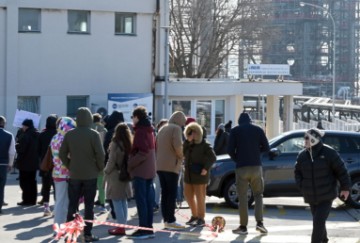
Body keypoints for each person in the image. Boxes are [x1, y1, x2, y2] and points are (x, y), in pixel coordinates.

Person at [295, 128, 350, 243]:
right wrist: (302, 185)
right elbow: (297, 172)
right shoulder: (302, 155)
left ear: (315, 139)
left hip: (326, 195)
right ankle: (324, 240)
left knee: (318, 222)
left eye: (307, 138)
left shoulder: (329, 153)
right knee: (318, 221)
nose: (304, 141)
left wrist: (345, 188)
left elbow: (342, 171)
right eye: (304, 138)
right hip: (310, 196)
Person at [59, 107, 105, 242]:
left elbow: (62, 154)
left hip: (74, 175)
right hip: (90, 175)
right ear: (90, 118)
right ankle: (88, 234)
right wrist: (99, 168)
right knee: (89, 206)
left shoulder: (69, 134)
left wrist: (69, 165)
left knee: (72, 205)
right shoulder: (94, 134)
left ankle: (70, 234)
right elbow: (101, 154)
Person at [227, 112, 270, 235]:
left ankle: (243, 227)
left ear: (239, 121)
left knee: (242, 197)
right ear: (250, 121)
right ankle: (260, 224)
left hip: (241, 168)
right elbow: (266, 148)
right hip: (256, 167)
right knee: (258, 195)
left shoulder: (235, 131)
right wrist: (256, 153)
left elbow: (230, 150)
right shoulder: (258, 130)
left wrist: (238, 158)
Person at [127, 106, 156, 240]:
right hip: (150, 170)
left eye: (133, 117)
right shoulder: (150, 130)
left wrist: (130, 162)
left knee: (142, 201)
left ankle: (143, 229)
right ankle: (148, 228)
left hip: (141, 171)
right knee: (148, 201)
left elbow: (142, 152)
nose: (132, 120)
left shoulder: (140, 131)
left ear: (137, 117)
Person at [156, 111, 186, 229]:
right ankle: (171, 220)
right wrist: (182, 156)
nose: (183, 125)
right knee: (171, 194)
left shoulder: (162, 128)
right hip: (171, 166)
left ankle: (166, 220)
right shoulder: (176, 129)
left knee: (165, 194)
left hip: (160, 165)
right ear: (179, 121)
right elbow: (178, 146)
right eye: (183, 122)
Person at [183, 121, 216, 227]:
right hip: (188, 176)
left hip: (200, 176)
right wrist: (187, 142)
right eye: (189, 133)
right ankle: (194, 215)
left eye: (193, 133)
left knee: (200, 197)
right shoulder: (188, 144)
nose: (191, 135)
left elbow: (213, 157)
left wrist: (206, 168)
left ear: (198, 133)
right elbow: (183, 153)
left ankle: (201, 218)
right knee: (188, 195)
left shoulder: (205, 145)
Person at [104, 123, 133, 236]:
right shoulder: (129, 143)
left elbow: (111, 161)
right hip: (126, 174)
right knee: (123, 200)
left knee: (116, 200)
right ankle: (124, 225)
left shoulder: (115, 144)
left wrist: (106, 171)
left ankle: (120, 227)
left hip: (116, 175)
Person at [51, 117, 76, 233]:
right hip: (66, 174)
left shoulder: (55, 138)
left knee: (60, 201)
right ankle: (60, 226)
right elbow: (70, 157)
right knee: (65, 202)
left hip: (57, 173)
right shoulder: (67, 139)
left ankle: (58, 226)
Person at [103, 110, 124, 219]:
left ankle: (116, 216)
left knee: (113, 194)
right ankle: (123, 219)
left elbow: (107, 152)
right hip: (125, 168)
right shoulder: (127, 132)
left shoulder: (110, 133)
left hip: (113, 169)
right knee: (123, 196)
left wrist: (106, 168)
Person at [15, 119, 40, 206]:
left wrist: (17, 146)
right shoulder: (37, 134)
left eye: (23, 126)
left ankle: (26, 200)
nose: (22, 127)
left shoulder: (25, 136)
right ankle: (33, 200)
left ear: (26, 126)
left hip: (25, 162)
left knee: (24, 182)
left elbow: (21, 149)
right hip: (34, 163)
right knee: (33, 181)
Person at [38, 114, 58, 216]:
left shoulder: (42, 135)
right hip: (57, 165)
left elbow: (38, 150)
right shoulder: (58, 134)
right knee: (56, 187)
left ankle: (46, 207)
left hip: (45, 164)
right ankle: (56, 208)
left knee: (46, 186)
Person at [0, 116, 16, 214]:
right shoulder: (9, 135)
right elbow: (12, 152)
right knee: (1, 186)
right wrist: (10, 164)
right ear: (4, 124)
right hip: (3, 163)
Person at [92, 113, 107, 213]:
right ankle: (102, 203)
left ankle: (89, 202)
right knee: (101, 183)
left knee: (91, 183)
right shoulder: (104, 130)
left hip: (90, 159)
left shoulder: (90, 128)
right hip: (101, 158)